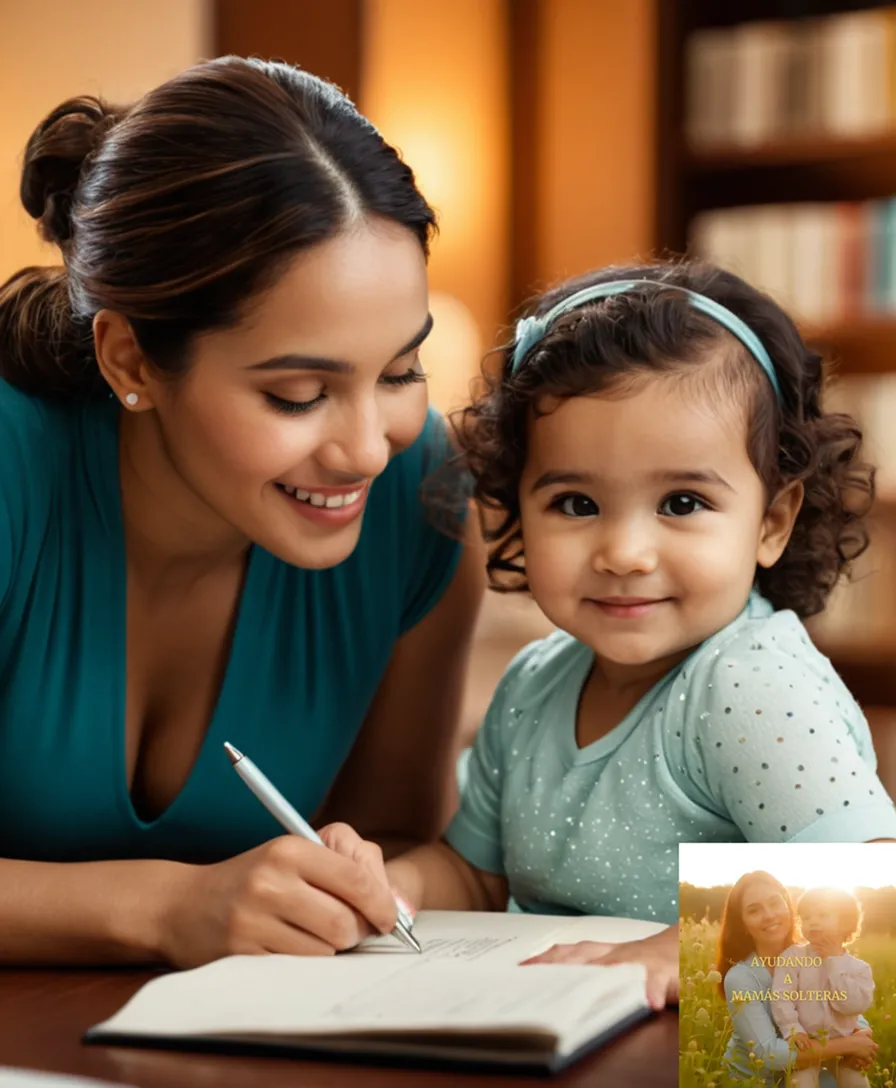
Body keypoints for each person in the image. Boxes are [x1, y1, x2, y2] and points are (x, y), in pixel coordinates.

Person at [0, 56, 484, 969]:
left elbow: (385, 844)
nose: (367, 449)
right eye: (300, 393)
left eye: (401, 373)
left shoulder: (421, 499)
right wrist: (163, 907)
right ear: (132, 362)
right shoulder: (13, 467)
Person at [326, 260, 896, 1009]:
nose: (624, 552)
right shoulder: (533, 685)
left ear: (771, 521)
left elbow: (869, 884)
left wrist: (675, 953)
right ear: (515, 513)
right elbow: (474, 875)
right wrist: (384, 887)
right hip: (564, 1025)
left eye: (683, 502)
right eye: (576, 503)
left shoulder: (749, 683)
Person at [719, 872, 877, 1084]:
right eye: (754, 910)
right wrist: (850, 1045)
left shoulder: (815, 954)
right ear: (743, 924)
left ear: (788, 906)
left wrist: (862, 1032)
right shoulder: (740, 978)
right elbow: (768, 1055)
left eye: (775, 903)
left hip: (810, 1064)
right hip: (757, 1080)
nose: (769, 915)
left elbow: (840, 1004)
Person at [771, 887, 874, 1087]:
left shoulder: (859, 969)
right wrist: (793, 1030)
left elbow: (851, 1006)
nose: (813, 922)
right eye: (806, 917)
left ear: (845, 922)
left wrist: (833, 962)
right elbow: (781, 997)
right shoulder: (792, 958)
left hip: (844, 1048)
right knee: (800, 1083)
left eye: (823, 915)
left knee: (858, 1083)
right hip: (807, 1043)